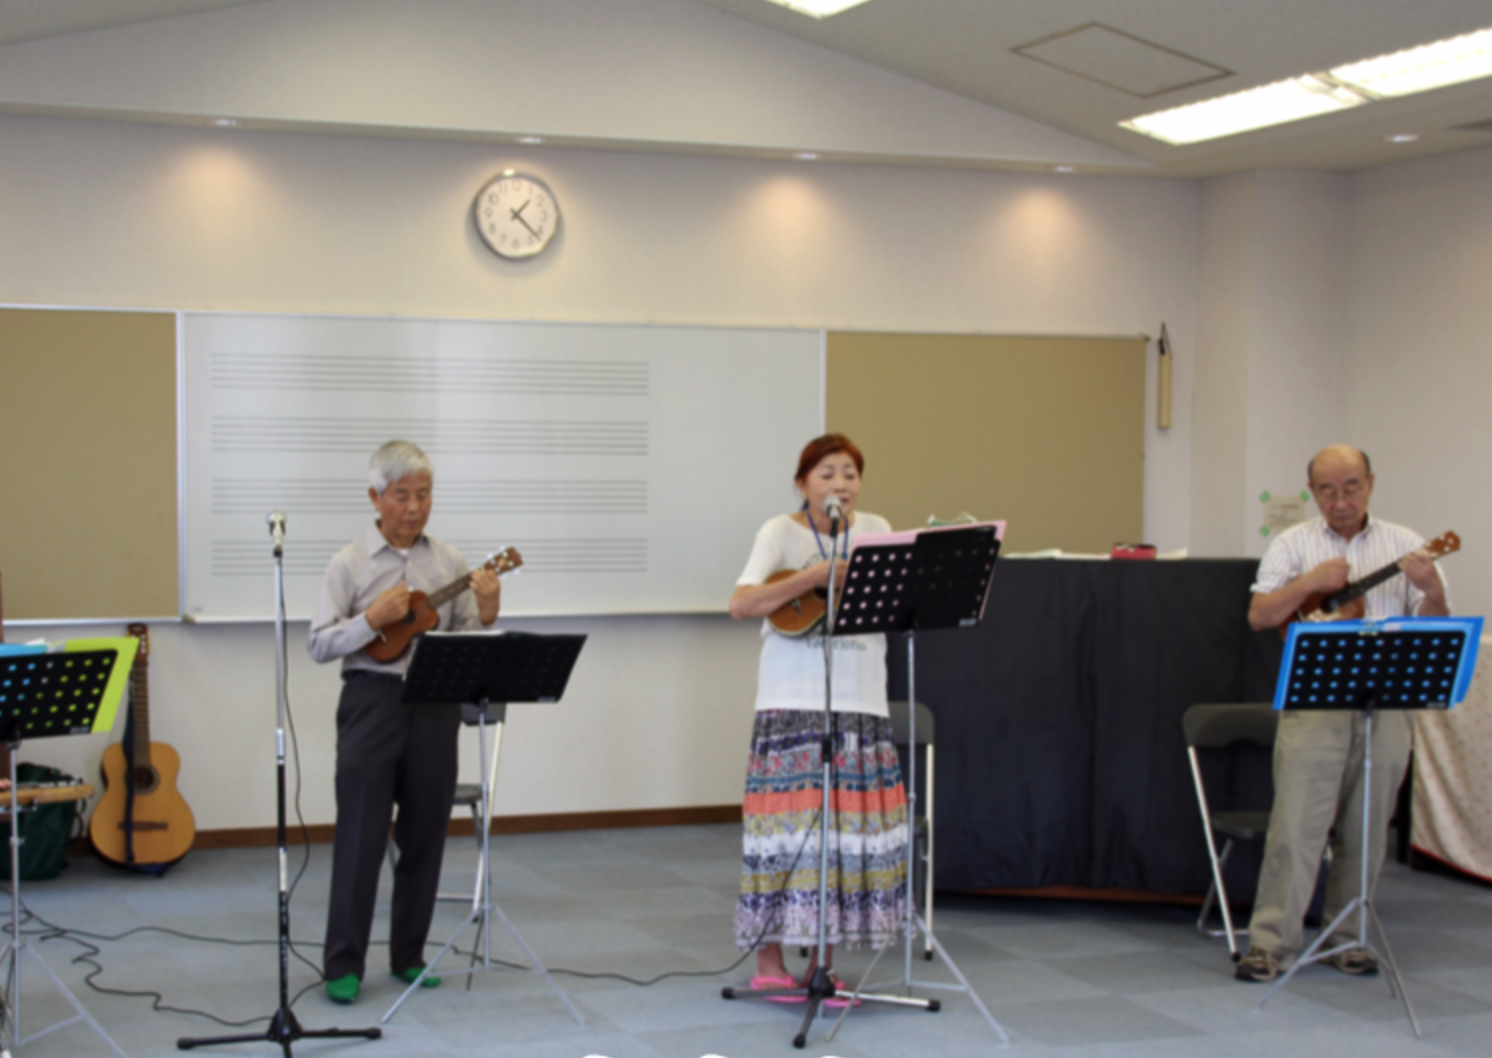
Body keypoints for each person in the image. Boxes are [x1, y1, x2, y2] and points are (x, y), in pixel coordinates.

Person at [1235, 444, 1450, 983]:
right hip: (1315, 704)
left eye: (1351, 487)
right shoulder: (1293, 543)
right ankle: (1269, 945)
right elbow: (1260, 615)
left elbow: (1433, 624)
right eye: (1327, 490)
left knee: (1368, 828)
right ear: (1312, 492)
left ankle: (1345, 938)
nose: (1340, 500)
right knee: (1297, 826)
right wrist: (1309, 583)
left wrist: (1431, 589)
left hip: (1387, 704)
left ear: (1370, 484)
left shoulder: (1405, 543)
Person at [308, 440, 501, 1004]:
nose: (414, 507)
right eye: (401, 495)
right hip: (371, 702)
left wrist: (488, 612)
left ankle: (409, 955)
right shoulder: (348, 563)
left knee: (425, 834)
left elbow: (467, 641)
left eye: (424, 494)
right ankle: (343, 964)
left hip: (435, 706)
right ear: (375, 497)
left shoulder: (450, 562)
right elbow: (319, 644)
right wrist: (370, 620)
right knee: (361, 836)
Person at [728, 433, 908, 1000]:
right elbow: (741, 603)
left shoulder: (877, 530)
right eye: (827, 473)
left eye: (850, 473)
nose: (840, 484)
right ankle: (770, 960)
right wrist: (812, 577)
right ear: (802, 482)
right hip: (792, 706)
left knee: (839, 841)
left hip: (859, 706)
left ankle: (823, 965)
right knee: (785, 837)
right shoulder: (778, 533)